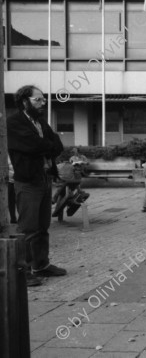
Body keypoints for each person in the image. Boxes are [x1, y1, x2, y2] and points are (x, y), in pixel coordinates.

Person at [7, 85, 65, 286]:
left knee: (43, 226)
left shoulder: (40, 121)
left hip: (44, 178)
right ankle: (23, 271)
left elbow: (57, 145)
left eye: (43, 99)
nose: (43, 103)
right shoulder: (14, 122)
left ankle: (41, 265)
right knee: (29, 228)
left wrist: (44, 147)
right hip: (28, 181)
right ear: (24, 101)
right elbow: (33, 145)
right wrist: (45, 146)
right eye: (37, 100)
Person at [7, 156, 17, 224]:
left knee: (19, 201)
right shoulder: (5, 156)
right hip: (9, 182)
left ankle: (22, 219)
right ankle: (13, 219)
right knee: (11, 201)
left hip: (18, 181)